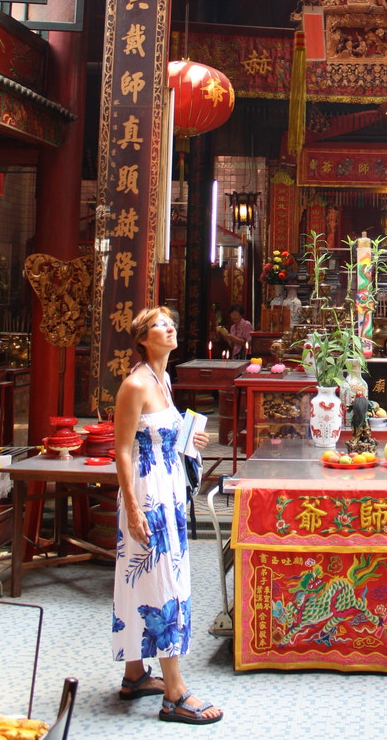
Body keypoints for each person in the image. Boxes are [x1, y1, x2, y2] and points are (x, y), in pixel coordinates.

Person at [113, 306, 223, 725]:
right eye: (160, 324)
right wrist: (133, 506)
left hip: (168, 485)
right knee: (163, 580)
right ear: (143, 337)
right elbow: (123, 449)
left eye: (171, 321)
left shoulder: (164, 378)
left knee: (146, 575)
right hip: (147, 493)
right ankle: (174, 692)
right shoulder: (136, 384)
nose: (170, 327)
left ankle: (135, 674)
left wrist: (188, 434)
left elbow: (155, 432)